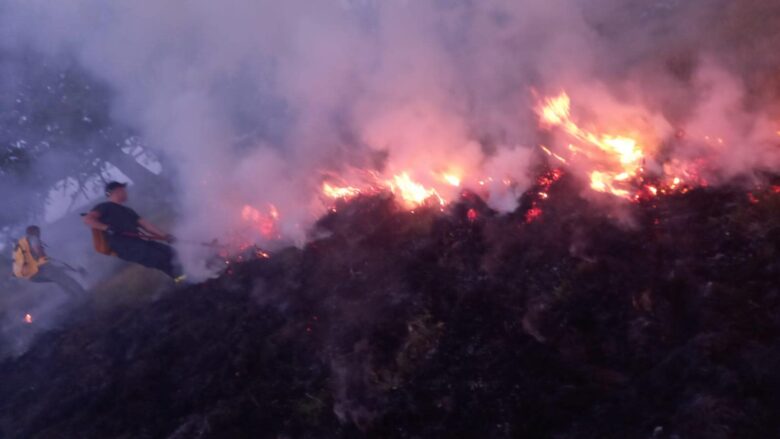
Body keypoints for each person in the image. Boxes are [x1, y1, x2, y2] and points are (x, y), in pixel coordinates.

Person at [82, 181, 185, 281]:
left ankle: (186, 278)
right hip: (124, 246)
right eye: (124, 190)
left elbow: (146, 225)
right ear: (117, 191)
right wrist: (107, 228)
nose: (126, 193)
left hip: (139, 242)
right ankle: (183, 280)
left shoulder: (128, 211)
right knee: (159, 258)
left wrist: (166, 236)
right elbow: (88, 219)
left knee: (171, 253)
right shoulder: (104, 207)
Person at [12, 225, 86, 297]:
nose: (39, 234)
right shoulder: (33, 238)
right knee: (66, 279)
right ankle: (84, 295)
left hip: (31, 276)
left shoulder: (20, 244)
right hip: (41, 268)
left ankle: (75, 298)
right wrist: (44, 257)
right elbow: (37, 250)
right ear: (35, 231)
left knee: (59, 279)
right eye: (38, 232)